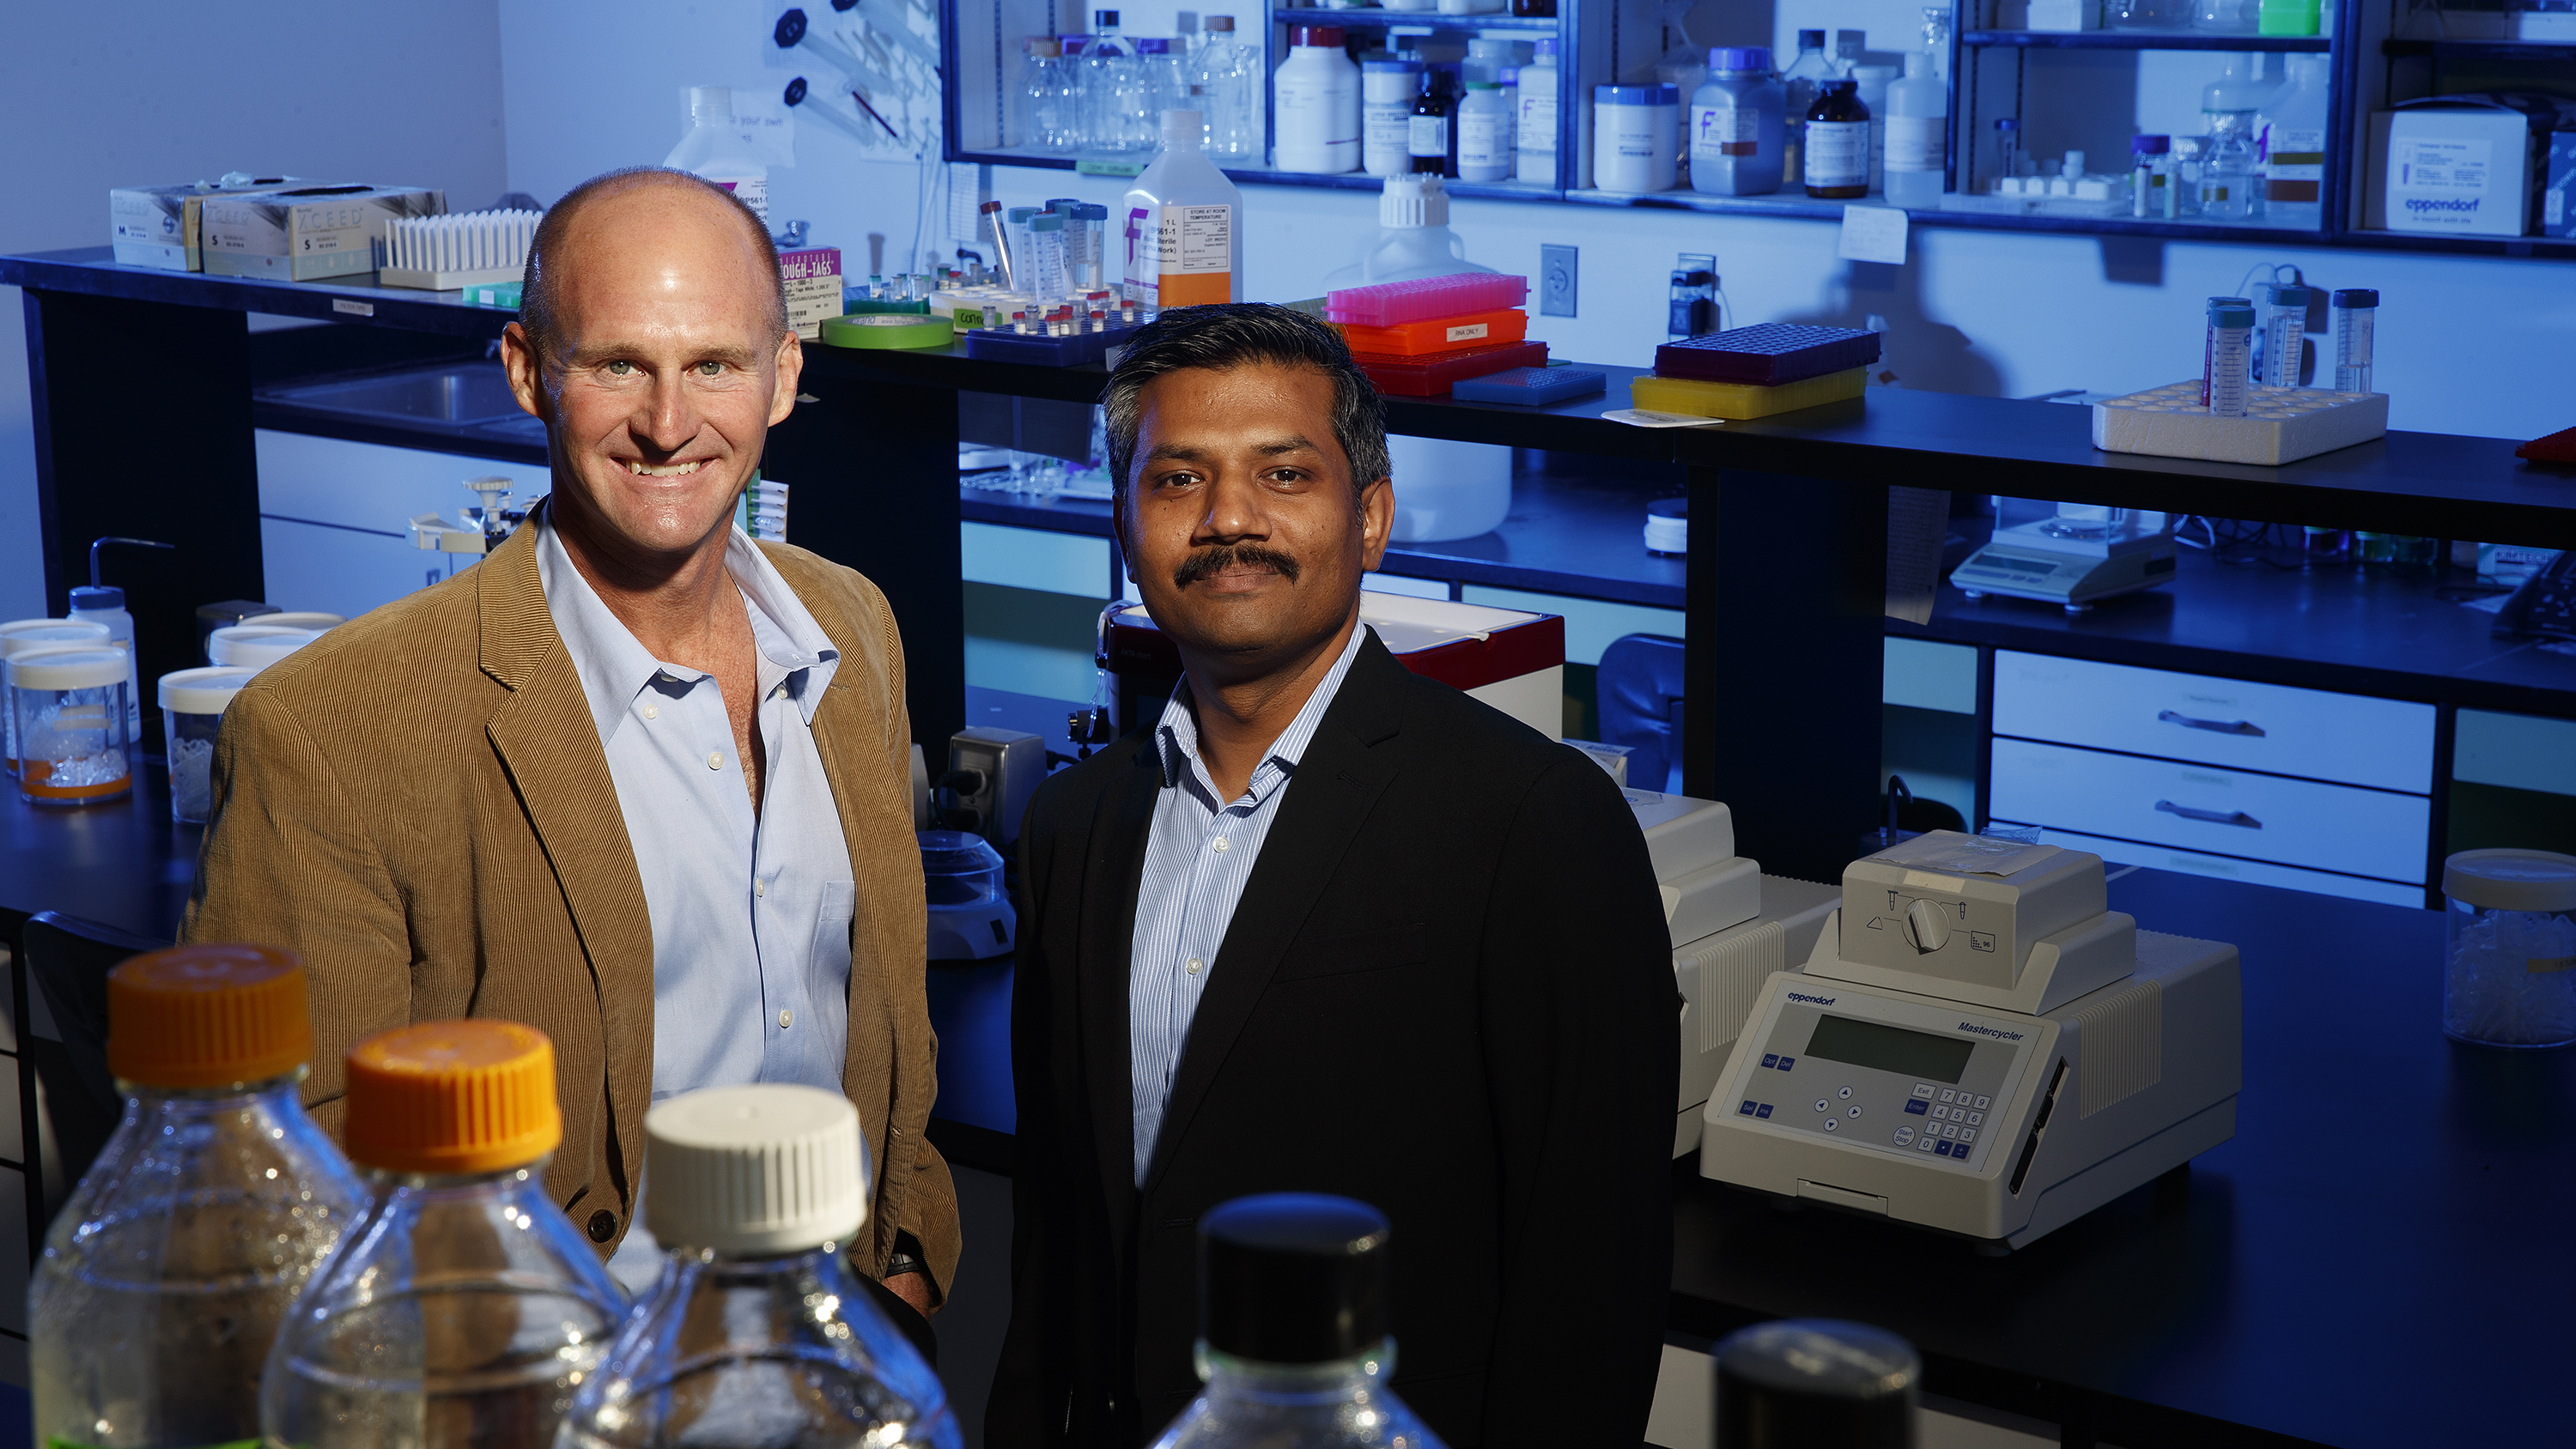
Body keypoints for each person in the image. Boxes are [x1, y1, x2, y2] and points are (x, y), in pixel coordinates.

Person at [182, 167, 956, 1327]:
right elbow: (279, 1180)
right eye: (616, 365)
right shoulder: (332, 727)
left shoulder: (849, 626)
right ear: (528, 372)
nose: (667, 421)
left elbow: (882, 1012)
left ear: (784, 376)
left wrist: (902, 1267)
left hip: (831, 1360)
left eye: (714, 364)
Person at [987, 304, 1677, 1446]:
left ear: (1370, 518)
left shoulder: (1533, 823)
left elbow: (1587, 1283)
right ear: (1125, 520)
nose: (1229, 521)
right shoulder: (1076, 822)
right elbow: (1059, 1247)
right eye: (1177, 481)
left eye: (1283, 473)